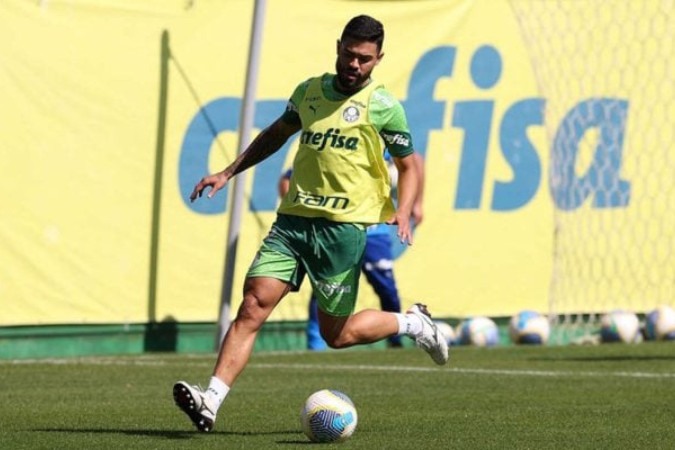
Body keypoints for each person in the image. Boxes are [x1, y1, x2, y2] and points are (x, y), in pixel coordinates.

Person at [174, 15, 448, 433]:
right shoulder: (309, 91)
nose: (355, 64)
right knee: (252, 305)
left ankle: (412, 323)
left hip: (341, 232)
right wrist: (228, 172)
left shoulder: (383, 105)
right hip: (294, 223)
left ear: (378, 60)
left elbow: (410, 166)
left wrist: (405, 211)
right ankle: (210, 401)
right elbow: (276, 135)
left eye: (365, 59)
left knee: (336, 334)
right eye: (349, 54)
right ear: (338, 46)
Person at [278, 150, 425, 350]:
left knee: (386, 287)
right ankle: (315, 346)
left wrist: (417, 204)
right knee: (324, 289)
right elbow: (287, 179)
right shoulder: (332, 145)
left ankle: (397, 339)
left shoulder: (379, 140)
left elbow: (414, 160)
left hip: (373, 230)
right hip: (335, 231)